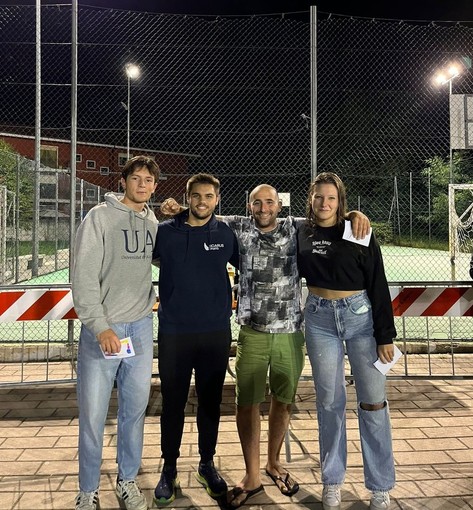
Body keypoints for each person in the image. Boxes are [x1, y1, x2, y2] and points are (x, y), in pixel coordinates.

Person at [160, 184, 369, 509]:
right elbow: (200, 214)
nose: (263, 207)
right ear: (248, 205)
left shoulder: (297, 227)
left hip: (290, 333)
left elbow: (329, 217)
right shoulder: (235, 227)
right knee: (247, 404)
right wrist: (177, 209)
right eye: (257, 202)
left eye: (269, 201)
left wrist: (354, 214)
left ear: (279, 205)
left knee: (283, 403)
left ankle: (273, 464)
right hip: (252, 333)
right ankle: (252, 475)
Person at [297, 172, 396, 510]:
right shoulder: (302, 231)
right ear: (310, 199)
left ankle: (380, 486)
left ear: (341, 202)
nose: (325, 204)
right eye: (319, 197)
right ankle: (332, 481)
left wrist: (385, 335)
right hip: (319, 319)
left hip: (360, 319)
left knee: (373, 402)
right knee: (329, 402)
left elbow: (378, 283)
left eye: (332, 198)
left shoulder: (358, 229)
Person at [71, 155, 160, 510]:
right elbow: (84, 277)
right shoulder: (99, 218)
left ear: (154, 186)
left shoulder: (151, 220)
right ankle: (88, 489)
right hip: (104, 332)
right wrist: (100, 325)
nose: (142, 184)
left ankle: (127, 481)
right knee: (93, 414)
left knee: (134, 411)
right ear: (123, 181)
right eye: (136, 178)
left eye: (148, 180)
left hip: (139, 329)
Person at [152, 173, 239, 506]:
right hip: (175, 331)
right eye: (197, 196)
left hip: (215, 332)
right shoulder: (165, 232)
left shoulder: (225, 233)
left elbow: (250, 263)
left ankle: (206, 463)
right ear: (187, 197)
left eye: (209, 197)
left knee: (211, 403)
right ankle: (169, 469)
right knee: (172, 403)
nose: (202, 202)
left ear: (217, 200)